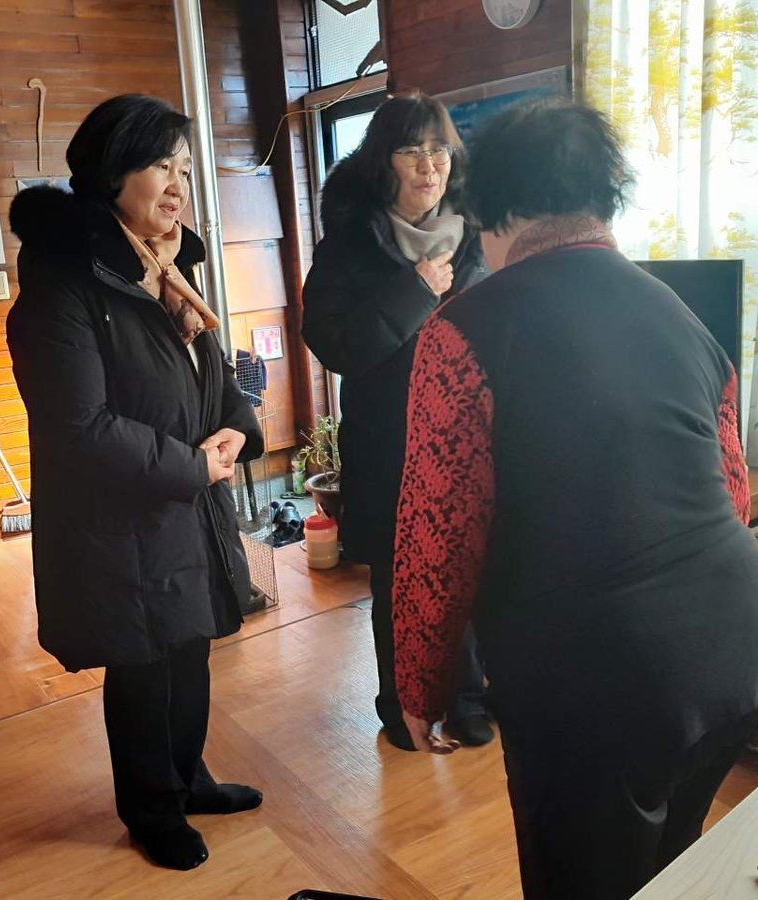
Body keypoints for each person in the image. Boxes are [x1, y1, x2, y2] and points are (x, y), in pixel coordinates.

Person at [391, 99, 758, 899]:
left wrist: (420, 688)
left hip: (597, 680)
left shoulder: (461, 331)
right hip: (737, 646)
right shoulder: (683, 316)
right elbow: (733, 492)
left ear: (493, 210)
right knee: (669, 868)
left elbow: (439, 537)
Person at [6, 94, 264, 872]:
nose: (178, 184)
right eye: (160, 165)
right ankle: (151, 810)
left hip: (187, 505)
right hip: (120, 522)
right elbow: (78, 427)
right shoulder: (64, 287)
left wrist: (236, 428)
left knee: (189, 652)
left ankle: (188, 782)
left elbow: (211, 377)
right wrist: (193, 466)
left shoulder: (165, 269)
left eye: (183, 166)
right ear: (113, 171)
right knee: (145, 665)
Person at [302, 92, 493, 751]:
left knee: (466, 568)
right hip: (389, 440)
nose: (429, 166)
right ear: (382, 162)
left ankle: (467, 698)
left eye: (439, 150)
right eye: (412, 151)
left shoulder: (477, 235)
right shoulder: (349, 244)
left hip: (466, 437)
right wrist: (413, 290)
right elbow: (333, 344)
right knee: (398, 578)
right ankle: (403, 705)